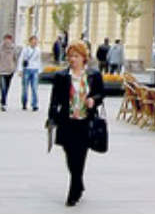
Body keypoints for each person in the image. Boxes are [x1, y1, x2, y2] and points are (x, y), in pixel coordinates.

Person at [47, 41, 104, 206]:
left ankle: (73, 191)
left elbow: (101, 94)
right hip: (67, 121)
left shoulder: (93, 75)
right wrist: (51, 117)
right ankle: (78, 182)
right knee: (70, 156)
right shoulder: (62, 76)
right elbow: (55, 99)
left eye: (76, 56)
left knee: (80, 156)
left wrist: (94, 100)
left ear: (84, 58)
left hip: (85, 122)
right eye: (70, 56)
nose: (73, 59)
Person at [0, 34, 20, 111]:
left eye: (9, 39)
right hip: (2, 71)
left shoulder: (13, 48)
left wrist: (15, 68)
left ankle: (3, 99)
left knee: (7, 87)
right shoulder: (0, 48)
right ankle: (3, 103)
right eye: (6, 39)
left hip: (10, 71)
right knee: (3, 87)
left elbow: (16, 59)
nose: (7, 41)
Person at [19, 35, 41, 111]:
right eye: (33, 41)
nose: (35, 43)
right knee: (25, 88)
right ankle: (24, 103)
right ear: (30, 42)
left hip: (35, 70)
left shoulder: (38, 50)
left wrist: (39, 71)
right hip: (27, 70)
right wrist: (20, 70)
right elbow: (21, 59)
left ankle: (34, 104)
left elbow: (39, 60)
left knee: (34, 88)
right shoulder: (25, 50)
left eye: (36, 41)